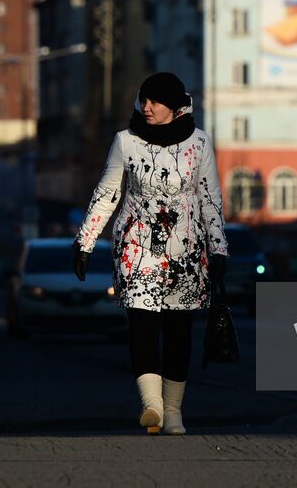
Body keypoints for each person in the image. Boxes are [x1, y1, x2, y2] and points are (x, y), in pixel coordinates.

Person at [74, 71, 228, 435]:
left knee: (178, 332)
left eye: (156, 101)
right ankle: (152, 406)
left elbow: (210, 198)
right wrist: (84, 241)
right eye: (144, 99)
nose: (147, 107)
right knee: (142, 326)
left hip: (187, 251)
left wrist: (218, 247)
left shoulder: (200, 143)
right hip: (136, 248)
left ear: (176, 108)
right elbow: (108, 192)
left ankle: (174, 411)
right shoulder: (125, 141)